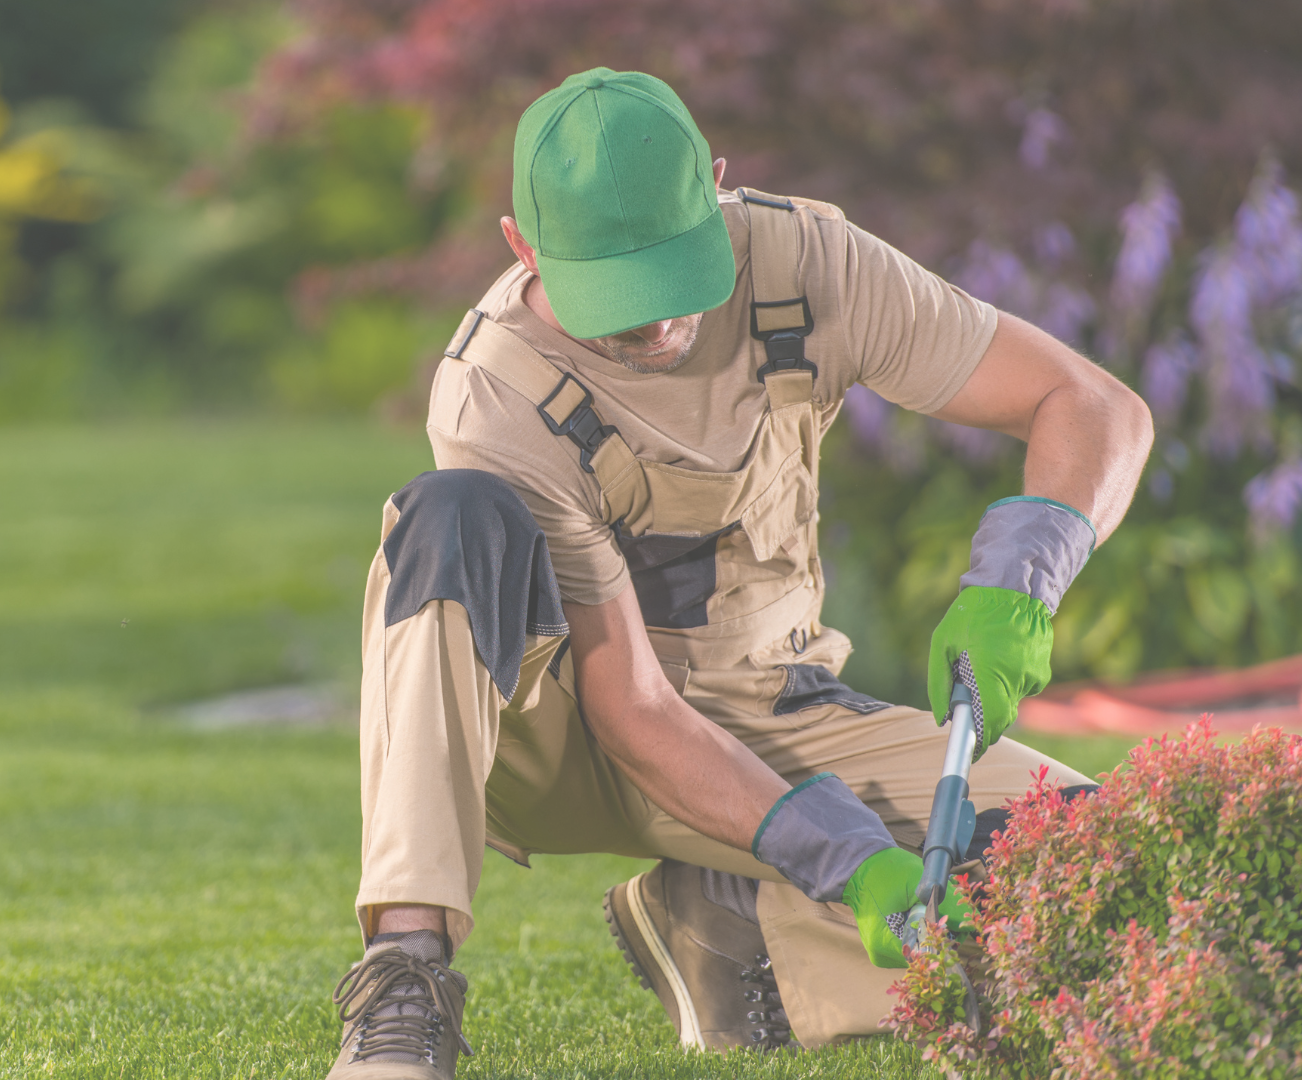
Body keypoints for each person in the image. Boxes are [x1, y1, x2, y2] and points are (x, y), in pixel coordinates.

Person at [325, 67, 1152, 1077]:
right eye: (618, 300)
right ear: (522, 247)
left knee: (1106, 870)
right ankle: (404, 981)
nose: (659, 327)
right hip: (559, 735)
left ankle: (732, 929)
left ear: (716, 186)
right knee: (445, 519)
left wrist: (1020, 582)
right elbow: (631, 709)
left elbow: (1090, 403)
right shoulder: (494, 393)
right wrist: (843, 856)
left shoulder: (808, 262)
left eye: (675, 282)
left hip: (774, 708)